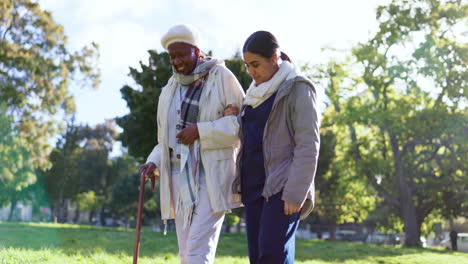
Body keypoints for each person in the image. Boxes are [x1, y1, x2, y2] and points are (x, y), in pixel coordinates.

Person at [139, 24, 245, 264]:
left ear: (197, 51)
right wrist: (152, 162)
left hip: (212, 175)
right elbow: (165, 140)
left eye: (181, 54)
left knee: (197, 250)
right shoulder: (170, 88)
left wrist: (201, 131)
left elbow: (240, 126)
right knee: (187, 252)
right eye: (172, 56)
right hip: (178, 176)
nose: (176, 61)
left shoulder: (222, 77)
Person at [228, 31, 320, 264]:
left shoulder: (298, 88)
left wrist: (295, 193)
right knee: (258, 257)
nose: (251, 71)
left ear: (275, 57)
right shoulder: (252, 96)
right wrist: (237, 117)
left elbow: (308, 145)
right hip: (253, 186)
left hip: (282, 187)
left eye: (256, 64)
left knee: (272, 255)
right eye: (248, 65)